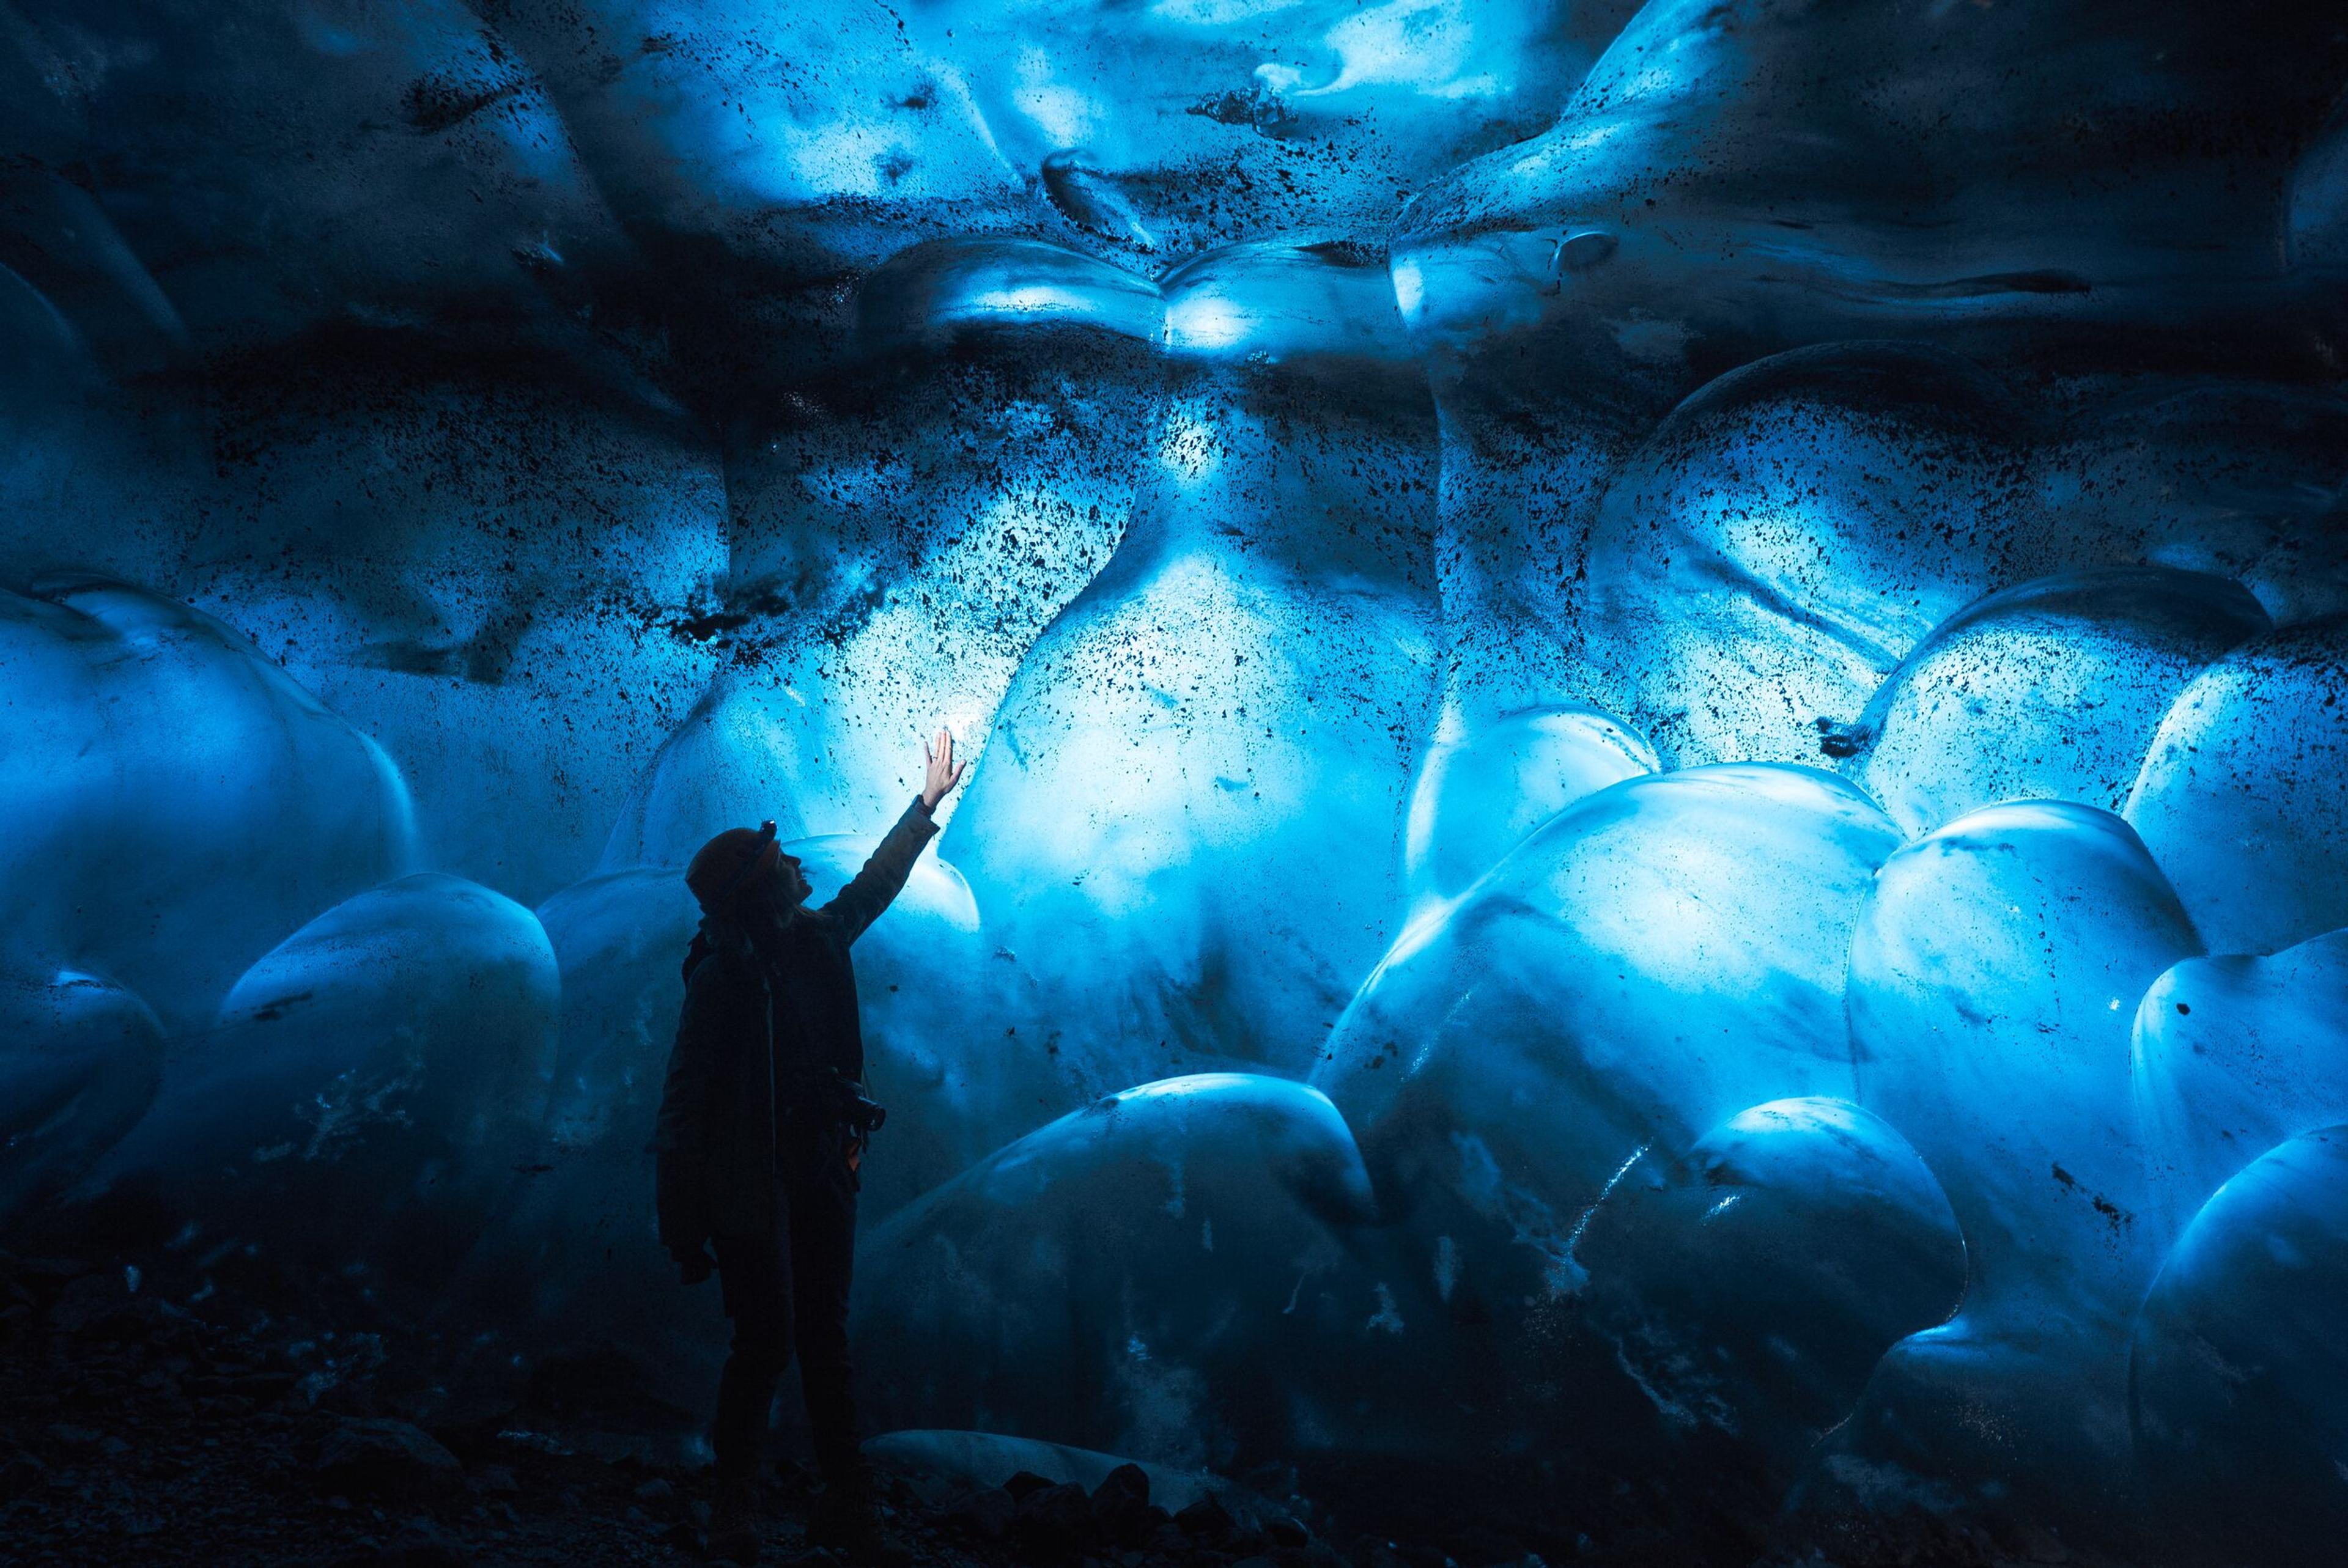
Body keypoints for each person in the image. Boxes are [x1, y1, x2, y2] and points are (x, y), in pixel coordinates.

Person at [655, 729, 969, 1564]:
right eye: (778, 857)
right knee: (770, 1338)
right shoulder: (722, 982)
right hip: (756, 1185)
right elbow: (685, 1103)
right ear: (761, 889)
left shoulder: (813, 940)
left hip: (820, 1167)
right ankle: (740, 1501)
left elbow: (875, 885)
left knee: (817, 1336)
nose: (793, 859)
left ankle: (838, 1503)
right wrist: (684, 1222)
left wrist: (926, 803)